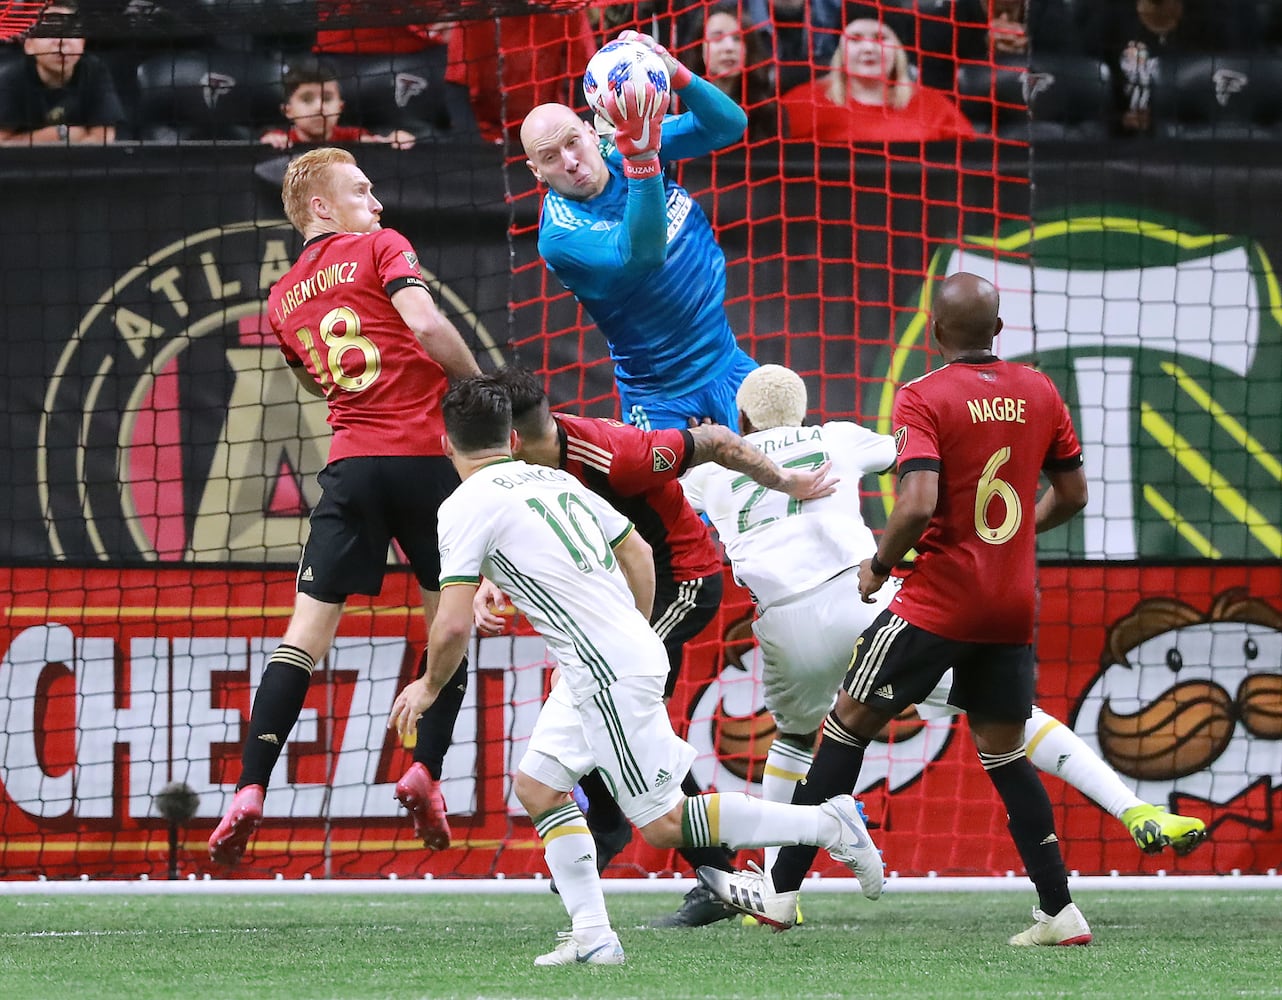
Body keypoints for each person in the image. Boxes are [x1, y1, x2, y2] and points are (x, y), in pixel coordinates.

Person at [387, 375, 882, 966]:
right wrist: (632, 633)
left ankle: (826, 823)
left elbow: (448, 626)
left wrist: (428, 685)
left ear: (447, 445)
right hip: (610, 655)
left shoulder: (465, 503)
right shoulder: (550, 477)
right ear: (512, 437)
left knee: (667, 824)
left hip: (605, 666)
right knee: (539, 786)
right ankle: (593, 936)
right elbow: (638, 552)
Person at [682, 363, 1207, 903]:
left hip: (784, 619)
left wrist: (699, 447)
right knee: (1005, 715)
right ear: (803, 410)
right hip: (863, 598)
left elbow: (667, 487)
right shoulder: (836, 437)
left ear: (741, 418)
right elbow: (915, 462)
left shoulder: (711, 469)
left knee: (793, 740)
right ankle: (1130, 807)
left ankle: (777, 890)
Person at [699, 272, 1094, 945]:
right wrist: (1012, 537)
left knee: (846, 724)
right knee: (1003, 752)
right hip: (1008, 602)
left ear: (936, 332)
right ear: (998, 332)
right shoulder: (1040, 389)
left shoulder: (925, 395)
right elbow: (1075, 493)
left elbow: (914, 504)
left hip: (939, 598)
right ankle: (1060, 910)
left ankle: (780, 890)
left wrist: (878, 566)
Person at [468, 366, 836, 928]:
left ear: (515, 440)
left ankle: (678, 849)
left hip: (681, 582)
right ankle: (700, 865)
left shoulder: (617, 454)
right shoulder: (525, 470)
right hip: (623, 592)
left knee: (602, 697)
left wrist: (789, 483)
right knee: (623, 720)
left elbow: (715, 440)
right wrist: (493, 577)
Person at [207, 147, 482, 866]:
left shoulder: (281, 299)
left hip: (352, 467)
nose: (379, 203)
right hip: (428, 463)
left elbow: (311, 379)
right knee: (447, 626)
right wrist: (488, 391)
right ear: (322, 207)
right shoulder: (380, 248)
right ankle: (425, 768)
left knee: (302, 638)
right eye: (362, 191)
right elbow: (423, 326)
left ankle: (249, 789)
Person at [521, 30, 757, 431]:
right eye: (550, 157)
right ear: (537, 172)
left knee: (790, 478)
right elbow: (645, 253)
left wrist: (674, 71)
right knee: (681, 496)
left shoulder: (620, 146)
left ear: (591, 132)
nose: (571, 161)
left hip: (729, 362)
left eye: (573, 143)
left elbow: (728, 127)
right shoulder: (560, 236)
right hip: (662, 398)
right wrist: (645, 157)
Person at [1080, 0, 1261, 135]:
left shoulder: (1215, 17)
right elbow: (1083, 92)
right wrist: (1120, 120)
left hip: (1194, 145)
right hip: (1122, 149)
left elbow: (1236, 93)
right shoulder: (1109, 14)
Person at [780, 18, 975, 144]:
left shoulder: (935, 106)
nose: (869, 48)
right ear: (840, 52)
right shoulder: (802, 102)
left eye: (881, 38)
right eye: (855, 39)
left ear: (898, 50)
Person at [0, 3, 123, 146]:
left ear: (83, 43)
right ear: (29, 46)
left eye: (71, 32)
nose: (61, 41)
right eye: (49, 32)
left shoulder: (95, 70)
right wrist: (60, 133)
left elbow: (104, 139)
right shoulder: (11, 79)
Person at [259, 58, 416, 150]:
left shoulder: (353, 136)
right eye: (307, 99)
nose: (319, 106)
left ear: (340, 107)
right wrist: (269, 144)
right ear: (288, 111)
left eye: (327, 99)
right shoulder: (282, 140)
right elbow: (267, 142)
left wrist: (394, 139)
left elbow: (378, 142)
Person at [680, 2, 778, 142]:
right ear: (699, 47)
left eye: (737, 38)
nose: (729, 47)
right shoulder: (676, 106)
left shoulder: (768, 111)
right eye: (717, 38)